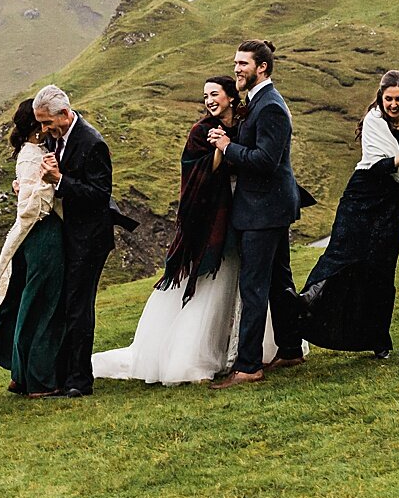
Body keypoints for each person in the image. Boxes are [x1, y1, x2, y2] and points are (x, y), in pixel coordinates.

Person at [93, 76, 276, 384]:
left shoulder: (245, 126)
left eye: (214, 94)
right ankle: (194, 358)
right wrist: (219, 149)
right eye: (205, 95)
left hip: (246, 212)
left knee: (245, 280)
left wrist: (229, 145)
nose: (209, 100)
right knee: (215, 281)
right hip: (212, 220)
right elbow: (199, 172)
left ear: (231, 97)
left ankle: (247, 349)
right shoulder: (201, 131)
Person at [207, 39, 310, 389]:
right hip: (268, 207)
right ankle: (291, 348)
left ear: (261, 67)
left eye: (243, 64)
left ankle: (249, 365)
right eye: (235, 63)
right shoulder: (257, 102)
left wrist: (227, 147)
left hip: (263, 209)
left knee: (254, 286)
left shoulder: (270, 107)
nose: (236, 68)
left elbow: (266, 161)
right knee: (280, 282)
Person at [302, 70, 399, 358]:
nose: (393, 104)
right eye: (388, 99)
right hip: (362, 197)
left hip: (391, 204)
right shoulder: (373, 121)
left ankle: (378, 338)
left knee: (381, 268)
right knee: (341, 255)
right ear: (380, 98)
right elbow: (379, 166)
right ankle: (302, 309)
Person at [33, 84, 118, 398]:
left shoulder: (92, 142)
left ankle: (80, 381)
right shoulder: (60, 140)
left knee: (78, 308)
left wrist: (60, 181)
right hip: (72, 235)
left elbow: (99, 195)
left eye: (46, 122)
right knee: (69, 304)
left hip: (90, 239)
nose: (43, 129)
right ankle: (65, 376)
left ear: (65, 114)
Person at [0, 99, 66, 395]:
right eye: (42, 122)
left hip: (40, 235)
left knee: (32, 302)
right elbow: (34, 205)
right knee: (43, 305)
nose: (46, 127)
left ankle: (21, 373)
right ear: (36, 127)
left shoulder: (37, 153)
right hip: (44, 234)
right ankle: (39, 380)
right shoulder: (32, 156)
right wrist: (50, 184)